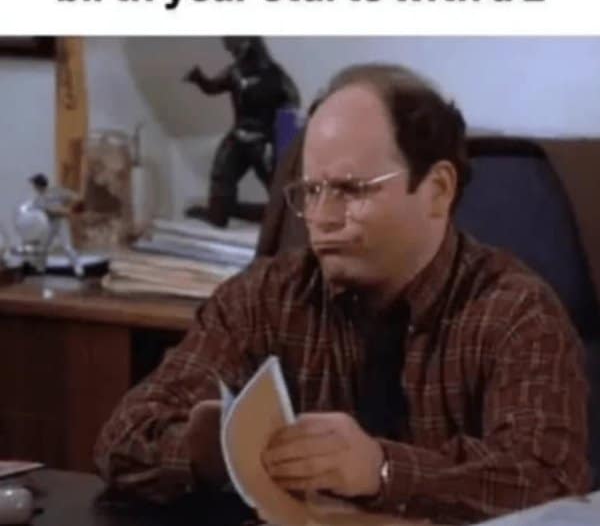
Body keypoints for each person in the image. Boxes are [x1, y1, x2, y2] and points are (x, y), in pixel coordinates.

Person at [95, 64, 589, 523]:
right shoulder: (265, 296)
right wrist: (207, 453)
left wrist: (380, 469)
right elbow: (121, 440)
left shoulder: (517, 312)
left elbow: (550, 485)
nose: (322, 219)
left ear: (437, 189)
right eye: (312, 191)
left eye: (352, 190)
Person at [184, 36, 300, 227]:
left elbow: (292, 101)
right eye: (231, 49)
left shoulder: (273, 73)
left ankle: (281, 219)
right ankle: (218, 215)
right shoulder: (235, 72)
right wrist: (199, 79)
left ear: (249, 44)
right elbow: (213, 87)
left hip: (264, 139)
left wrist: (280, 138)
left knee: (277, 183)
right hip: (238, 136)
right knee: (222, 174)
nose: (233, 53)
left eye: (235, 48)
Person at [28, 173, 84, 277]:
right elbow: (49, 211)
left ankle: (78, 268)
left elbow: (77, 197)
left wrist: (70, 209)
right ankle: (40, 268)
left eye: (35, 184)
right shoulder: (38, 200)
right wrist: (60, 210)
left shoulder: (57, 191)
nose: (34, 187)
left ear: (39, 185)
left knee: (67, 246)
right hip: (49, 223)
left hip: (61, 222)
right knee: (44, 246)